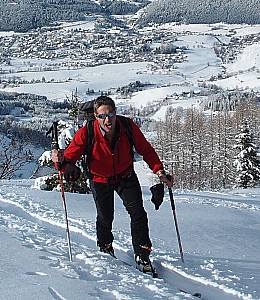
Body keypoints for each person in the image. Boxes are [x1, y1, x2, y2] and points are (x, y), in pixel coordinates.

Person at [52, 95, 173, 268]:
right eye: (102, 116)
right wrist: (61, 162)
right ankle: (105, 246)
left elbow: (145, 149)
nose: (107, 119)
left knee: (138, 213)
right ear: (96, 116)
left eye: (110, 114)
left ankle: (143, 254)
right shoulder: (87, 132)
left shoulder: (127, 126)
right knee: (105, 216)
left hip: (125, 175)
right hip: (100, 178)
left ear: (116, 113)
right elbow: (67, 159)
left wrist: (159, 171)